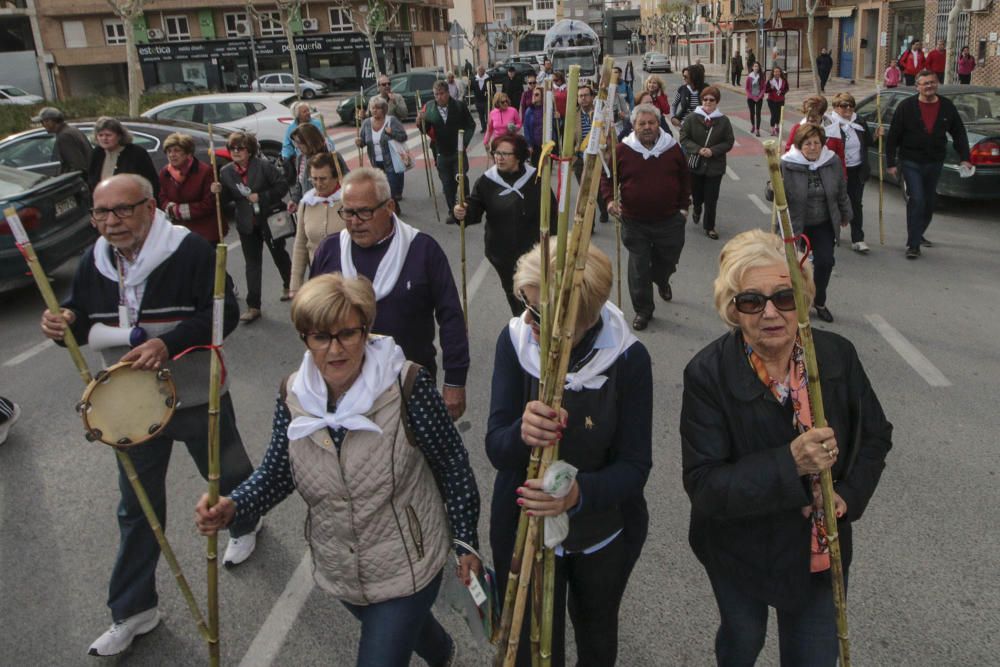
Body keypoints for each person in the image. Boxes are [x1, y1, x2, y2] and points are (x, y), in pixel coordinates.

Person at [194, 272, 481, 667]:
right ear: (305, 339)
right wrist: (235, 505)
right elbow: (279, 472)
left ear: (366, 331)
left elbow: (452, 463)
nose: (335, 349)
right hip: (340, 565)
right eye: (320, 337)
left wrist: (465, 540)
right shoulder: (293, 395)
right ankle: (442, 651)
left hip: (409, 562)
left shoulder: (406, 386)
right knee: (401, 629)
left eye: (348, 333)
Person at [40, 174, 259, 657]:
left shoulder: (192, 251)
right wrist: (61, 326)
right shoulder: (93, 262)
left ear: (150, 207)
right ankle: (134, 609)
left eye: (122, 210)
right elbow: (76, 318)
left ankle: (244, 524)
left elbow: (223, 316)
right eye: (101, 213)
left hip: (197, 393)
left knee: (227, 475)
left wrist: (169, 342)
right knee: (136, 509)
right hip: (129, 409)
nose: (111, 222)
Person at [681, 228, 892, 667]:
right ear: (732, 309)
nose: (771, 313)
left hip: (818, 551)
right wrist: (791, 462)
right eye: (752, 301)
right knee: (743, 641)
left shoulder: (836, 356)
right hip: (739, 550)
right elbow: (705, 485)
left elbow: (875, 435)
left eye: (785, 296)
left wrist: (846, 497)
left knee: (813, 658)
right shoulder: (707, 374)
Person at [486, 243, 652, 667]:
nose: (528, 319)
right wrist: (520, 434)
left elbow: (635, 467)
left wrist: (578, 495)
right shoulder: (516, 341)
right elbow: (496, 447)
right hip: (523, 526)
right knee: (532, 646)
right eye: (525, 303)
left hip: (603, 533)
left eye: (541, 313)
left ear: (585, 315)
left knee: (596, 635)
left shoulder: (628, 359)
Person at [310, 168, 469, 420]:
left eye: (364, 212)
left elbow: (451, 317)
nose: (354, 221)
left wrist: (455, 381)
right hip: (344, 388)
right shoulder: (329, 251)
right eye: (348, 212)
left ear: (390, 206)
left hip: (411, 384)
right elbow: (312, 322)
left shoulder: (423, 250)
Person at [603, 103, 690, 331]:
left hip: (670, 220)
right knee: (639, 267)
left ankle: (662, 280)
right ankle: (643, 310)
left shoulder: (672, 148)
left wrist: (683, 208)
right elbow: (607, 177)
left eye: (651, 122)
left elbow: (684, 178)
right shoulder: (623, 150)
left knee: (667, 260)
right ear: (634, 126)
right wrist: (610, 200)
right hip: (634, 221)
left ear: (658, 123)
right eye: (642, 123)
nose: (647, 127)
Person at [450, 134, 557, 315]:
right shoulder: (487, 181)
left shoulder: (536, 178)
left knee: (537, 290)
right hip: (502, 252)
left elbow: (552, 213)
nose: (499, 158)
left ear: (519, 157)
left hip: (535, 250)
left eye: (505, 154)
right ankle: (523, 326)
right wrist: (462, 212)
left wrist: (553, 243)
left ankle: (541, 324)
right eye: (496, 153)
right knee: (514, 291)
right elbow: (474, 207)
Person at [885, 70, 972, 259]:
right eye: (925, 83)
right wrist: (890, 162)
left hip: (934, 161)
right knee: (916, 199)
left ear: (937, 84)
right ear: (918, 87)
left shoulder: (947, 107)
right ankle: (913, 244)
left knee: (929, 202)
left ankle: (918, 232)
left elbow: (959, 133)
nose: (929, 86)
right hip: (910, 161)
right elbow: (893, 136)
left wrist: (965, 157)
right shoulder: (906, 107)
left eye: (932, 82)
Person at [214, 131, 292, 321]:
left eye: (240, 148)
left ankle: (289, 284)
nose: (235, 152)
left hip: (270, 219)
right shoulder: (226, 172)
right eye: (232, 148)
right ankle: (253, 305)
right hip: (246, 223)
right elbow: (225, 200)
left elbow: (282, 186)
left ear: (249, 150)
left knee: (278, 254)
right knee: (252, 263)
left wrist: (262, 197)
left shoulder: (264, 166)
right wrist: (217, 191)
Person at [780, 124, 852, 323]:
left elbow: (840, 190)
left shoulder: (831, 161)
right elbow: (775, 194)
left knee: (825, 262)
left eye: (817, 143)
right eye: (808, 143)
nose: (813, 147)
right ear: (800, 145)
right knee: (792, 267)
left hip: (822, 222)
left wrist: (845, 214)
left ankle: (818, 301)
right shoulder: (786, 163)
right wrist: (772, 187)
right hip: (796, 222)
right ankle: (793, 302)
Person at [288, 153, 347, 298]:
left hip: (348, 280)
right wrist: (295, 285)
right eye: (314, 178)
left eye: (323, 178)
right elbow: (301, 244)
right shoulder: (307, 202)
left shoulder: (349, 201)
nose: (318, 184)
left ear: (336, 177)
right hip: (319, 279)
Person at [679, 86, 735, 241]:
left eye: (712, 100)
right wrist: (698, 149)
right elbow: (683, 138)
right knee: (697, 195)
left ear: (717, 102)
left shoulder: (723, 121)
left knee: (711, 198)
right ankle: (697, 208)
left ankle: (709, 226)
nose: (708, 102)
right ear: (701, 100)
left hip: (715, 166)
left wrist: (713, 151)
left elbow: (729, 141)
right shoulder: (691, 118)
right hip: (695, 165)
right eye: (705, 99)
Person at [825, 93, 876, 254]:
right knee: (833, 203)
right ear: (835, 107)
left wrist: (876, 136)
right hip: (836, 171)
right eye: (843, 105)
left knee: (856, 203)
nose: (847, 109)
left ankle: (858, 238)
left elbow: (868, 142)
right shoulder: (829, 123)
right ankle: (832, 233)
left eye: (850, 105)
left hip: (857, 169)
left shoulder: (859, 121)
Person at [417, 80, 477, 211]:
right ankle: (452, 210)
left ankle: (465, 205)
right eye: (436, 94)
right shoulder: (429, 107)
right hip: (441, 151)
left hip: (458, 151)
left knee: (461, 178)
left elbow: (471, 125)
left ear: (448, 93)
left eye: (441, 93)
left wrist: (464, 142)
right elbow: (425, 129)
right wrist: (420, 121)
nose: (439, 97)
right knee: (447, 183)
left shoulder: (459, 106)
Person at [157, 133, 223, 244]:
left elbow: (208, 204)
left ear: (188, 153)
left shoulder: (204, 171)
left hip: (205, 232)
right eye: (169, 151)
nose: (172, 155)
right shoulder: (165, 173)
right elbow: (162, 198)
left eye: (176, 151)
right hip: (178, 233)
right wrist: (170, 208)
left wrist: (178, 211)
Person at [87, 117, 159, 199]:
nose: (104, 138)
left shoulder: (136, 153)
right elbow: (91, 180)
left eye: (108, 135)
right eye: (100, 135)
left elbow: (151, 183)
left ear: (119, 136)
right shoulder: (97, 153)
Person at [357, 96, 407, 209]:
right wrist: (359, 142)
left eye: (378, 108)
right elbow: (363, 142)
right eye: (373, 108)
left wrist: (392, 133)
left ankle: (393, 208)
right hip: (375, 162)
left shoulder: (392, 121)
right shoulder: (366, 123)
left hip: (391, 161)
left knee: (391, 188)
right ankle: (392, 207)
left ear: (384, 109)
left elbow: (403, 136)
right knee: (381, 188)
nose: (375, 110)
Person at [573, 84, 608, 224]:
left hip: (599, 158)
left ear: (592, 97)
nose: (583, 98)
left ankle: (604, 209)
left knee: (598, 189)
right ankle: (589, 223)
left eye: (586, 95)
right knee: (585, 192)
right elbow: (569, 138)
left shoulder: (600, 114)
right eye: (580, 96)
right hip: (581, 159)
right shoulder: (574, 116)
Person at [288, 123, 337, 211]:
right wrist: (294, 200)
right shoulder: (300, 159)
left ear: (309, 141)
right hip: (310, 208)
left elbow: (345, 180)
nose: (296, 146)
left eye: (299, 142)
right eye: (295, 142)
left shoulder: (331, 158)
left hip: (329, 207)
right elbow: (299, 184)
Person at [32, 106, 92, 175]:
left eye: (43, 122)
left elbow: (76, 166)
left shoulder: (64, 136)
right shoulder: (71, 130)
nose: (43, 125)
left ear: (50, 121)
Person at [280, 101, 327, 179]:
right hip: (301, 158)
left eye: (308, 110)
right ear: (297, 115)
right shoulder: (291, 128)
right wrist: (286, 157)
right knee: (302, 178)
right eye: (304, 112)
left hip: (318, 156)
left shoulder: (317, 124)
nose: (308, 113)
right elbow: (287, 145)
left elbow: (326, 140)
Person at [671, 64, 705, 129]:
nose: (683, 78)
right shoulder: (682, 89)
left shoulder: (705, 89)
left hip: (701, 126)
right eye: (683, 76)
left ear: (693, 77)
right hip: (684, 125)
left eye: (686, 76)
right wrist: (673, 117)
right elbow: (674, 104)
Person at [522, 85, 546, 167]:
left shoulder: (548, 109)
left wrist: (557, 117)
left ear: (542, 96)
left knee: (546, 170)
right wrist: (529, 145)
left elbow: (555, 127)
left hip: (547, 145)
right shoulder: (529, 110)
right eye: (533, 94)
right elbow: (526, 129)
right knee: (536, 169)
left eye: (537, 95)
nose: (534, 96)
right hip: (535, 145)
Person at [766, 67, 789, 137]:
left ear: (780, 73)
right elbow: (766, 90)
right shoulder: (770, 81)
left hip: (781, 100)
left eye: (778, 72)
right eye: (775, 72)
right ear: (773, 73)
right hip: (771, 100)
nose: (777, 73)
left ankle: (777, 126)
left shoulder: (784, 80)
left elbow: (787, 89)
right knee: (773, 115)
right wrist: (771, 88)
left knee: (779, 115)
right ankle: (772, 129)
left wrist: (782, 92)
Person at [744, 62, 766, 136]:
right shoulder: (749, 77)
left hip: (759, 98)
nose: (756, 67)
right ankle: (753, 125)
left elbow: (763, 88)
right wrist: (752, 97)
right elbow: (747, 88)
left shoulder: (761, 77)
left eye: (757, 66)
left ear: (759, 68)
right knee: (752, 113)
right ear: (752, 68)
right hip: (751, 98)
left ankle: (758, 130)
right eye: (755, 66)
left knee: (758, 113)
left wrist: (759, 96)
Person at [472, 65, 491, 132]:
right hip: (478, 100)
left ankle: (489, 127)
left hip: (486, 100)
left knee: (487, 114)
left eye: (481, 71)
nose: (480, 72)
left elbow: (492, 88)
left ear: (484, 71)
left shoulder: (488, 78)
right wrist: (468, 85)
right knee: (481, 115)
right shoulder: (474, 79)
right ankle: (483, 128)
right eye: (479, 71)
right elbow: (471, 88)